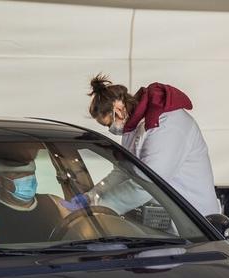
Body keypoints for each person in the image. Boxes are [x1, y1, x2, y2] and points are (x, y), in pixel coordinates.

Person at [65, 75, 219, 216]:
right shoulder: (133, 126)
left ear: (118, 110)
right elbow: (123, 171)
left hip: (193, 219)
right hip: (162, 216)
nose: (111, 129)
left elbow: (146, 185)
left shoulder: (167, 126)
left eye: (109, 124)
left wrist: (98, 207)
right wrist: (91, 196)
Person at [0, 159, 69, 246]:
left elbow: (81, 230)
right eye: (19, 173)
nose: (27, 177)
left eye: (30, 172)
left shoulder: (55, 202)